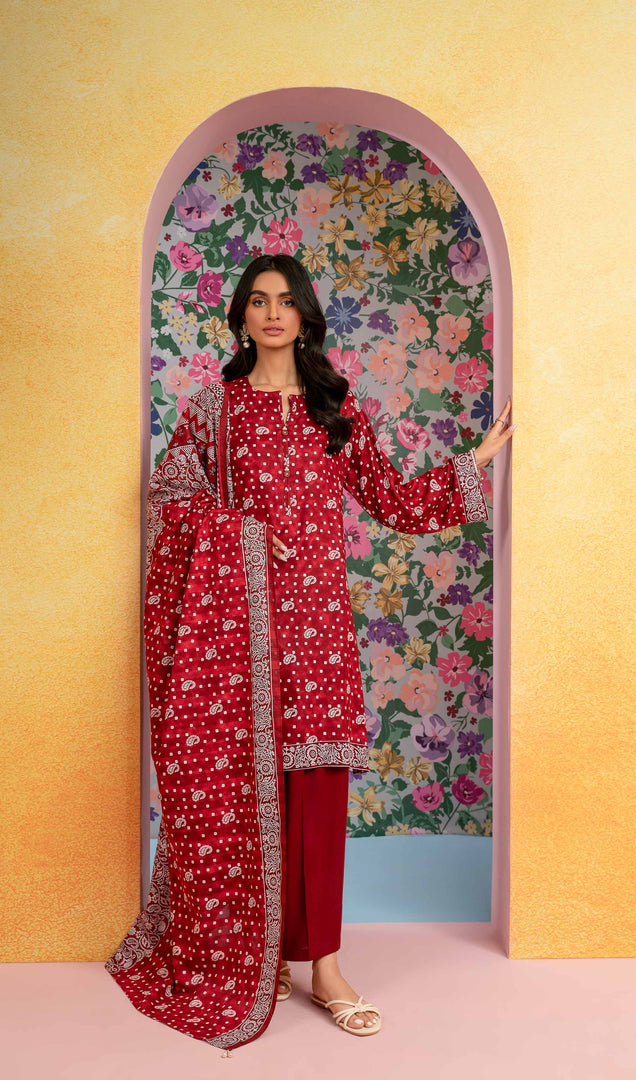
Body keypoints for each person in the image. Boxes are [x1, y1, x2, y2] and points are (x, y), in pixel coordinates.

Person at [105, 253, 515, 1054]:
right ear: (240, 316)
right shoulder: (213, 412)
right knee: (246, 789)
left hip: (319, 630)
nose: (271, 313)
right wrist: (246, 535)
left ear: (304, 316)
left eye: (285, 301)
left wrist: (476, 461)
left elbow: (391, 498)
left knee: (319, 797)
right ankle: (255, 954)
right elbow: (171, 502)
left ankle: (324, 968)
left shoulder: (334, 408)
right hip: (239, 637)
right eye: (258, 300)